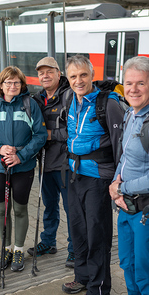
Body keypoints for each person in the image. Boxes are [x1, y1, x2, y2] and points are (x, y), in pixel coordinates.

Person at [62, 55, 124, 294]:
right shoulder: (69, 99)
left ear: (92, 75)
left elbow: (121, 145)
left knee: (97, 233)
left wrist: (119, 180)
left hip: (99, 177)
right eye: (73, 76)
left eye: (83, 75)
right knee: (77, 228)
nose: (79, 80)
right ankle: (83, 277)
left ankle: (99, 287)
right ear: (68, 78)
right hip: (74, 174)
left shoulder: (107, 103)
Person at [0, 66, 47, 271]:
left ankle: (18, 250)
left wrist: (21, 155)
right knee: (2, 209)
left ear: (21, 84)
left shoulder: (30, 105)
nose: (12, 86)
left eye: (16, 82)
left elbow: (40, 136)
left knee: (20, 209)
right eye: (8, 82)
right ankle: (6, 248)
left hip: (23, 167)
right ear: (1, 85)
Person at [27, 56, 74, 268]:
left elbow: (75, 130)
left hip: (65, 164)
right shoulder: (37, 99)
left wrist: (49, 134)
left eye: (49, 72)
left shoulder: (70, 96)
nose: (45, 76)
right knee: (49, 206)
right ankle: (48, 241)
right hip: (44, 163)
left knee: (71, 209)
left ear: (58, 73)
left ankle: (74, 249)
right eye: (41, 73)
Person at [109, 56, 149, 295]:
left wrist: (122, 189)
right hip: (125, 208)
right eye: (129, 83)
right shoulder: (130, 115)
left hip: (144, 211)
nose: (133, 89)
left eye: (141, 83)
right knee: (128, 265)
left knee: (145, 272)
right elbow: (124, 157)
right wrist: (115, 185)